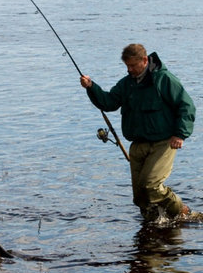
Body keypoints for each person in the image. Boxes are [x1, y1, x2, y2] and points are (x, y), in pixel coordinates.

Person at [80, 43, 196, 221]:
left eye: (133, 65)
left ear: (144, 60)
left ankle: (182, 211)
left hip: (163, 143)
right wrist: (90, 86)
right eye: (127, 66)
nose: (130, 70)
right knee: (141, 197)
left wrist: (180, 134)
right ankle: (154, 229)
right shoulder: (126, 84)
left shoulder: (164, 79)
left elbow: (186, 106)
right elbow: (108, 102)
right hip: (137, 145)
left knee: (152, 186)